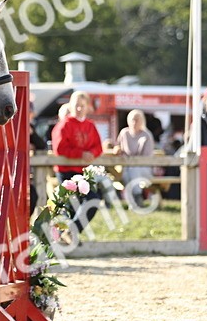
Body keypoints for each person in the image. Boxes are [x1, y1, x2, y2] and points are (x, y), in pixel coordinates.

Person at [53, 91, 104, 233]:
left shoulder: (90, 125)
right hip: (66, 171)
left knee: (93, 201)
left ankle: (72, 231)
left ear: (88, 106)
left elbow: (99, 146)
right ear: (71, 106)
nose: (80, 109)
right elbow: (60, 149)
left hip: (83, 172)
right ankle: (59, 236)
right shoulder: (64, 125)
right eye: (77, 105)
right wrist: (81, 154)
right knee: (69, 206)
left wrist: (92, 154)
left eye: (83, 105)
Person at [113, 109, 155, 187]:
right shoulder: (124, 133)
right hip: (127, 166)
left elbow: (146, 158)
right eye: (133, 120)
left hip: (142, 167)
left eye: (137, 120)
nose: (134, 122)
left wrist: (132, 163)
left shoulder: (146, 135)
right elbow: (117, 145)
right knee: (125, 172)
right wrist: (117, 149)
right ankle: (133, 195)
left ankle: (136, 195)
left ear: (142, 121)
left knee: (134, 170)